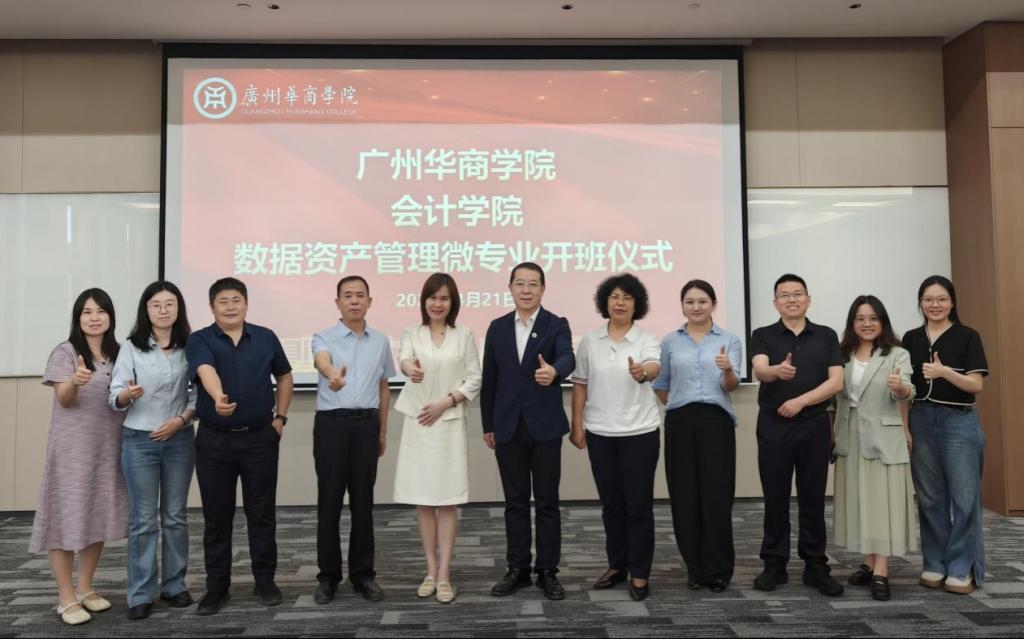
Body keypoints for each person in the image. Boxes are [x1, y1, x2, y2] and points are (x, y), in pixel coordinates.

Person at [185, 277, 294, 615]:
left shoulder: (265, 337)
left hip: (260, 438)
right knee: (217, 517)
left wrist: (281, 419)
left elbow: (284, 376)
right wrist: (218, 396)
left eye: (236, 300)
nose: (231, 306)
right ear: (211, 307)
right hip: (214, 440)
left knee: (262, 514)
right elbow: (205, 369)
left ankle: (265, 581)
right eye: (223, 301)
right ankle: (217, 588)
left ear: (246, 303)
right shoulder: (199, 339)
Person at [30, 288, 128, 625]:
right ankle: (65, 597)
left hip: (108, 449)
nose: (94, 317)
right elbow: (65, 399)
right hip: (72, 452)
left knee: (96, 516)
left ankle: (85, 588)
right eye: (87, 312)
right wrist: (75, 381)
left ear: (110, 316)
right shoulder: (66, 352)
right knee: (64, 519)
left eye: (101, 311)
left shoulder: (120, 353)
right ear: (78, 317)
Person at [481, 262, 575, 600]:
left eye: (533, 284)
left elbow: (568, 357)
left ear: (543, 289)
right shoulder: (497, 327)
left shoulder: (556, 324)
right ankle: (518, 568)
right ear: (510, 288)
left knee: (547, 502)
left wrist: (555, 371)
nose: (526, 290)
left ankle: (547, 571)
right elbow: (490, 378)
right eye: (519, 283)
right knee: (515, 502)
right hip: (507, 426)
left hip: (545, 426)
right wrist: (488, 424)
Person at [750, 273, 844, 596]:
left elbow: (836, 382)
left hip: (815, 423)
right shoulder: (763, 334)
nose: (791, 299)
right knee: (775, 497)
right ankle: (774, 564)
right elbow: (760, 369)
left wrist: (801, 401)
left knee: (813, 497)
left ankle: (815, 565)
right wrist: (776, 371)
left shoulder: (827, 335)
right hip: (773, 424)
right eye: (784, 295)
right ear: (775, 302)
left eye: (797, 293)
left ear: (808, 299)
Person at [570, 273, 661, 601]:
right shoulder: (590, 340)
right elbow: (580, 383)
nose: (620, 303)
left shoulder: (646, 338)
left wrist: (642, 372)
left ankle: (640, 573)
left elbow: (653, 367)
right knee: (611, 505)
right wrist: (576, 424)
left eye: (627, 297)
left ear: (637, 304)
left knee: (638, 506)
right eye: (614, 297)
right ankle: (617, 565)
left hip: (640, 432)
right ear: (605, 302)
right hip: (600, 432)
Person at [109, 281, 197, 619]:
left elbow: (197, 395)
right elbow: (115, 394)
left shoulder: (191, 346)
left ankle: (174, 586)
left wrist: (181, 420)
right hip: (139, 441)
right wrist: (127, 395)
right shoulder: (131, 348)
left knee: (175, 517)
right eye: (156, 304)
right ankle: (140, 594)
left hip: (179, 438)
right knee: (143, 521)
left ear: (179, 308)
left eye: (170, 304)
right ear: (146, 310)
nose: (163, 310)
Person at [394, 273, 482, 604]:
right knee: (424, 499)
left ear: (452, 302)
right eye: (432, 297)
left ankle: (445, 573)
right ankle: (430, 570)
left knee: (446, 499)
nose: (437, 303)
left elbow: (475, 377)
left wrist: (447, 401)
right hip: (420, 421)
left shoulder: (464, 334)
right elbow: (404, 360)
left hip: (448, 421)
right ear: (424, 300)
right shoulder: (412, 333)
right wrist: (410, 369)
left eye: (444, 298)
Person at [652, 279, 742, 593]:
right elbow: (661, 385)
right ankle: (695, 568)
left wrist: (727, 369)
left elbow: (731, 386)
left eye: (702, 301)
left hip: (716, 422)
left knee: (717, 496)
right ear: (682, 306)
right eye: (689, 301)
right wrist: (680, 405)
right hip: (680, 422)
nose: (696, 307)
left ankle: (718, 570)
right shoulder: (669, 341)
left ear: (713, 304)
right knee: (684, 497)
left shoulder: (729, 339)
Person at [311, 275, 395, 604]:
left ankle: (363, 575)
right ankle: (328, 577)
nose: (354, 301)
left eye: (360, 295)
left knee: (363, 504)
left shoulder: (381, 340)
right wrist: (331, 374)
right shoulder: (323, 336)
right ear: (338, 303)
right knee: (329, 503)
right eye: (348, 295)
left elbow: (384, 387)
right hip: (332, 426)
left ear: (370, 302)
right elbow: (322, 361)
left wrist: (382, 431)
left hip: (367, 426)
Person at [903, 275, 988, 595]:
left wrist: (944, 372)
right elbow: (905, 388)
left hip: (958, 421)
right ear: (920, 303)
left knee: (964, 498)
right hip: (920, 420)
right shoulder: (911, 338)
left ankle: (960, 567)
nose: (934, 305)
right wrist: (905, 427)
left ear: (952, 303)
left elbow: (976, 384)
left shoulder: (967, 336)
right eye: (928, 299)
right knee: (929, 498)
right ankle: (935, 564)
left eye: (941, 299)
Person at [832, 295, 917, 601]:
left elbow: (907, 391)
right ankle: (868, 562)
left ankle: (881, 570)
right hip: (849, 434)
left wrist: (900, 388)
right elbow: (834, 398)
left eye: (873, 318)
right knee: (860, 499)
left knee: (882, 501)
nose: (867, 324)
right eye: (860, 319)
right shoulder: (841, 353)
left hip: (884, 436)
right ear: (852, 323)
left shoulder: (897, 353)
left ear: (883, 322)